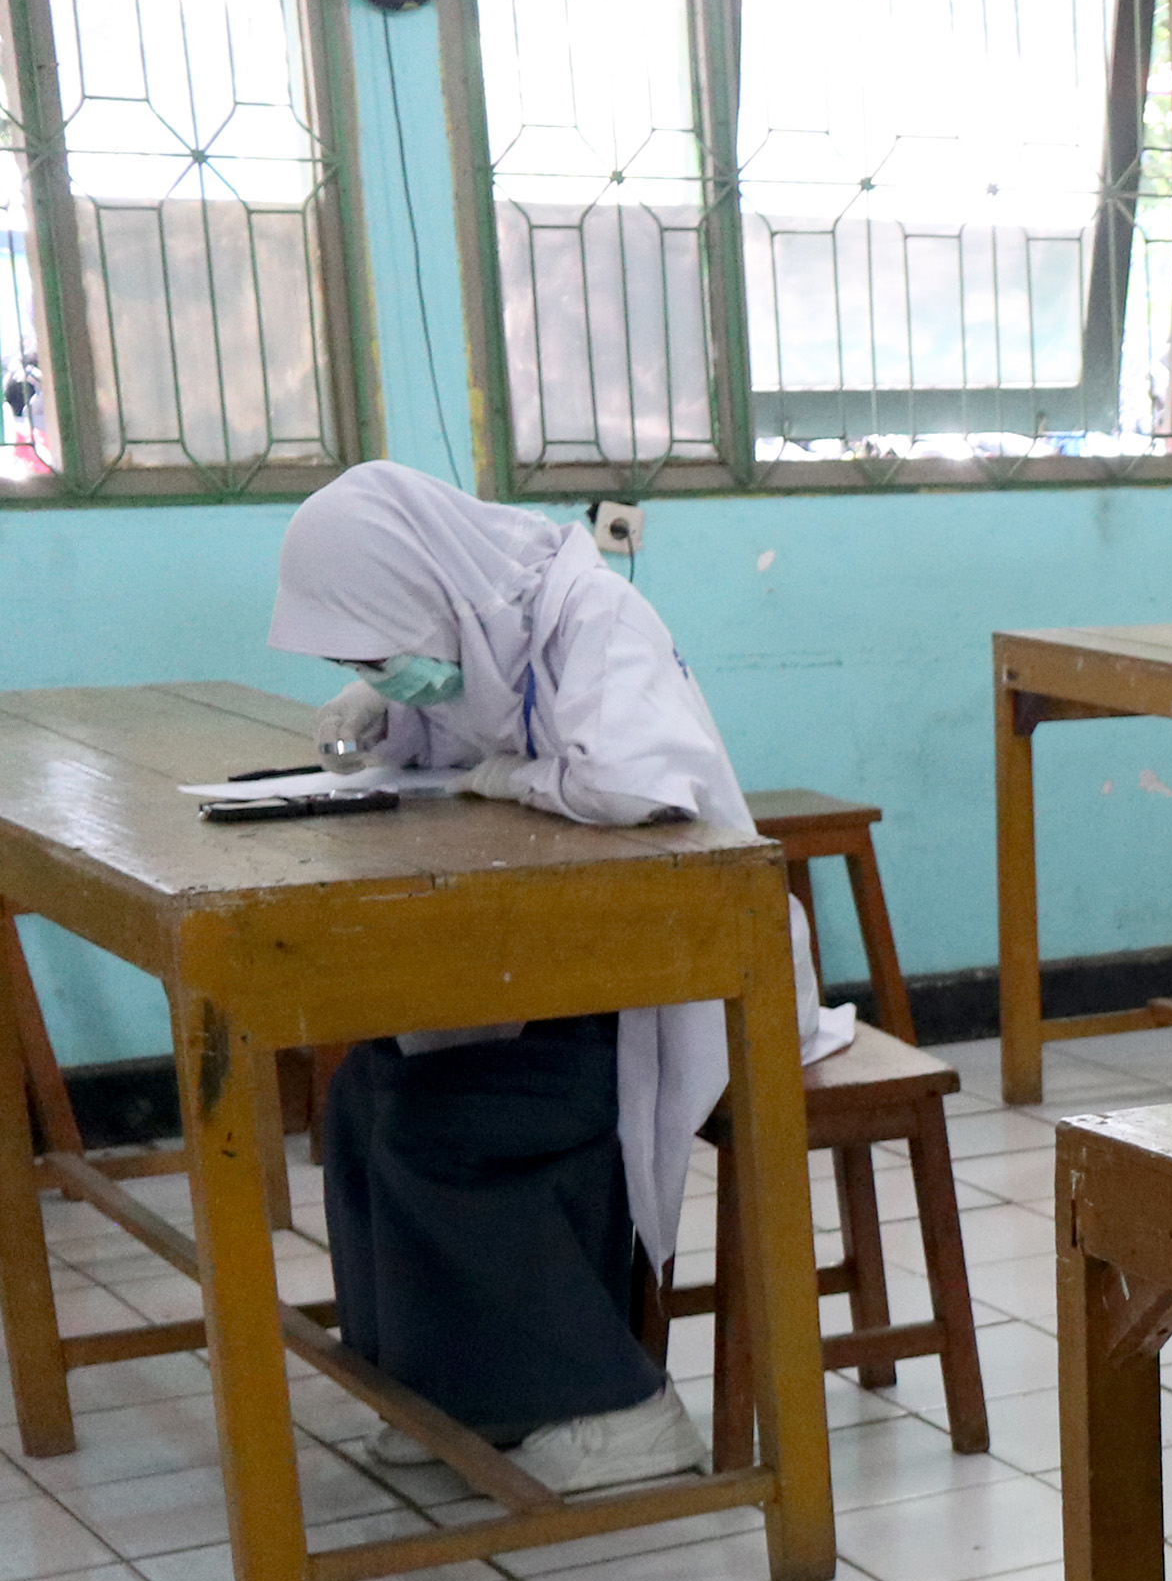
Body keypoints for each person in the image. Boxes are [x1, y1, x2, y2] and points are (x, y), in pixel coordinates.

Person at [270, 462, 837, 1493]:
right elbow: (463, 719)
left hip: (671, 978)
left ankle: (616, 1404)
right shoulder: (476, 628)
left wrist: (506, 778)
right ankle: (444, 1385)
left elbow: (629, 782)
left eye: (378, 645)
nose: (384, 664)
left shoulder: (592, 617)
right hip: (553, 966)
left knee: (452, 1129)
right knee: (361, 1098)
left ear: (424, 589)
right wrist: (382, 709)